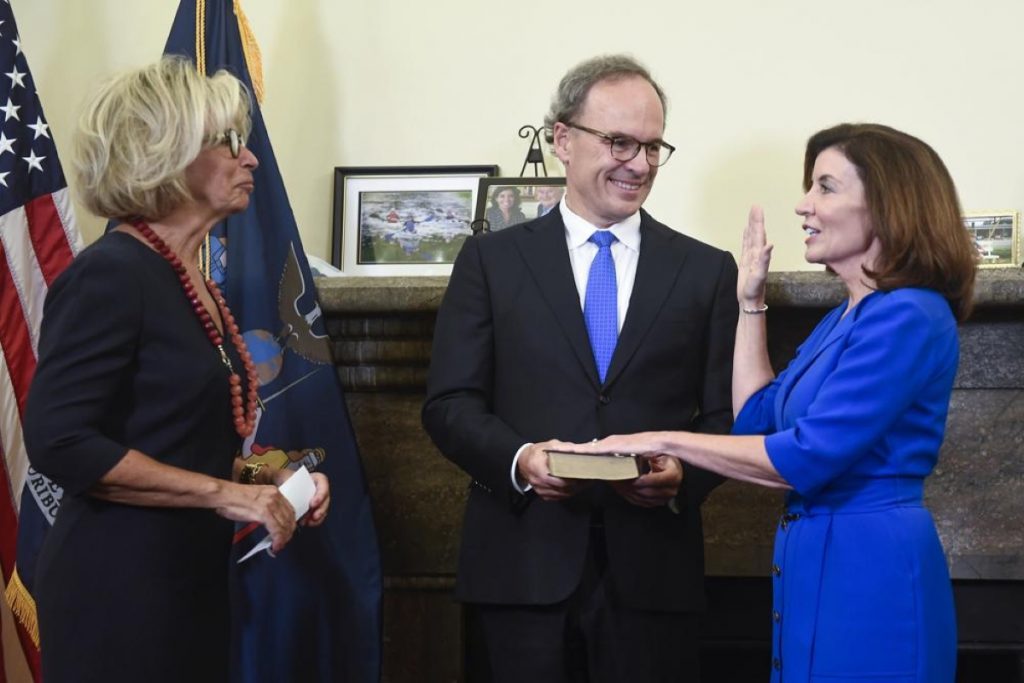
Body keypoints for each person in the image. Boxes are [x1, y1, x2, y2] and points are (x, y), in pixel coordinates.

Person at [573, 123, 976, 682]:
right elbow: (755, 418)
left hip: (870, 567)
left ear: (888, 205)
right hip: (815, 556)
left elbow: (806, 457)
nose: (803, 204)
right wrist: (751, 301)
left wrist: (659, 437)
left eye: (825, 187)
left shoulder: (909, 314)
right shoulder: (846, 317)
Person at [422, 54, 738, 682]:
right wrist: (521, 461)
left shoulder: (707, 271)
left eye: (653, 147)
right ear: (562, 140)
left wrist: (683, 477)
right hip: (521, 567)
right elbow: (449, 404)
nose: (639, 164)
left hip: (653, 576)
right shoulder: (489, 261)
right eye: (620, 141)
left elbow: (730, 414)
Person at [23, 56, 330, 683]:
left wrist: (275, 479)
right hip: (116, 592)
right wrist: (230, 495)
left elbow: (177, 438)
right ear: (162, 152)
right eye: (228, 144)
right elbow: (62, 442)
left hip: (186, 582)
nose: (250, 160)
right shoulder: (110, 274)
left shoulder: (192, 280)